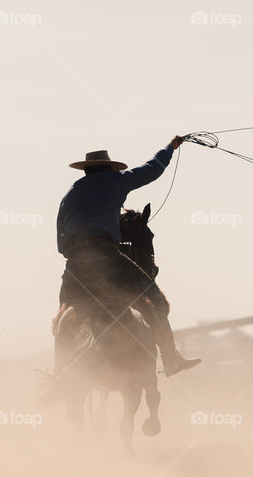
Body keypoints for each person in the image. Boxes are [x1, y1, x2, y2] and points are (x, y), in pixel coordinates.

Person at [56, 137, 201, 376]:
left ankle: (60, 375)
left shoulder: (69, 195)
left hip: (73, 267)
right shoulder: (115, 181)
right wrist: (171, 147)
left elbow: (61, 244)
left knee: (63, 317)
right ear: (108, 168)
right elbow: (152, 169)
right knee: (156, 300)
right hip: (106, 258)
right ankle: (171, 359)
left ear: (86, 170)